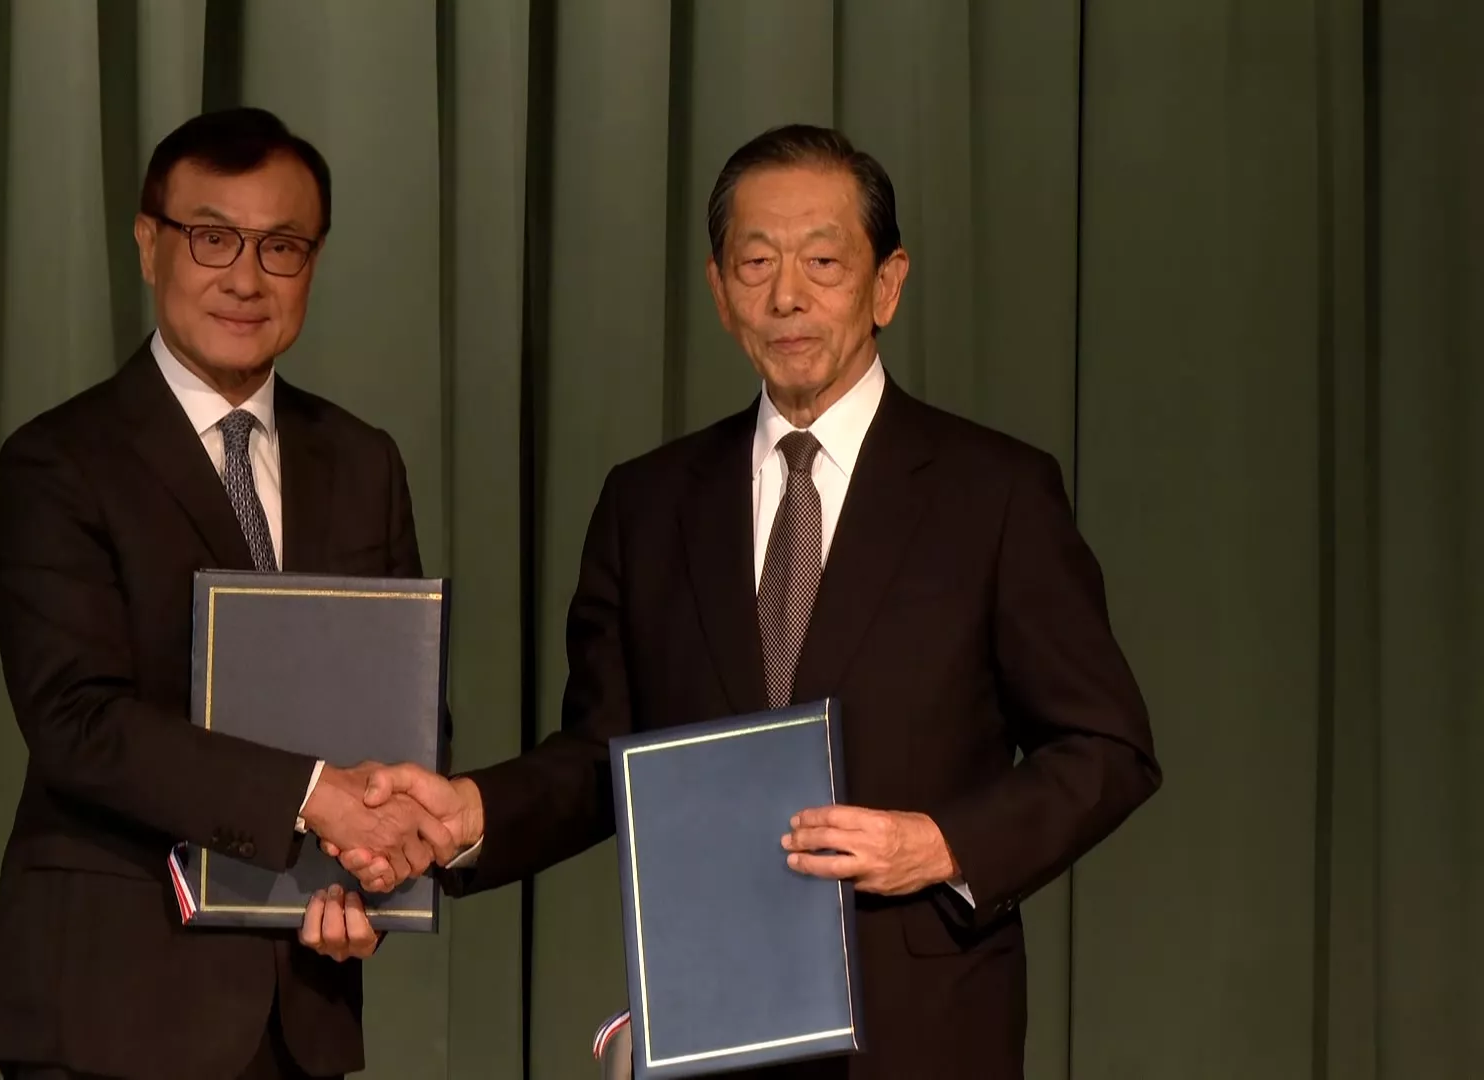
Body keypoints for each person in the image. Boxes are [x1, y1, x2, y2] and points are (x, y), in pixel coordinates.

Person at [336, 124, 1163, 1077]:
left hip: (920, 1028)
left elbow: (1108, 747)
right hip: (708, 1024)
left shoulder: (995, 493)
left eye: (823, 262)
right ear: (720, 292)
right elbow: (603, 758)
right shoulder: (648, 504)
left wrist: (942, 845)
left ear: (887, 285)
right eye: (757, 262)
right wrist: (472, 813)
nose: (787, 296)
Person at [0, 107, 447, 1080]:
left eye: (281, 247)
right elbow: (77, 723)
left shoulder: (363, 462)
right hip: (109, 1009)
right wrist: (315, 801)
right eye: (212, 238)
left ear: (313, 263)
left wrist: (381, 871)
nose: (245, 278)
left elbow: (402, 706)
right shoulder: (61, 461)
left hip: (302, 1008)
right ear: (150, 245)